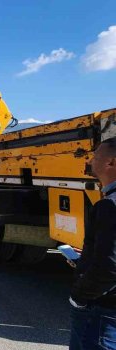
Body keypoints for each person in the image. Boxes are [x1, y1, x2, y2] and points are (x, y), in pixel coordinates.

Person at [69, 137, 116, 349]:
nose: (91, 159)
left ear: (111, 162)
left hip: (104, 311)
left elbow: (110, 267)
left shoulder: (109, 206)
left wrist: (79, 296)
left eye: (96, 155)